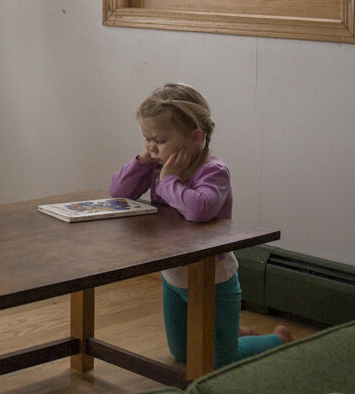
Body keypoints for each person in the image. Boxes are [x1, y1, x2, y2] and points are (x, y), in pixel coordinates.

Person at [110, 82, 293, 368]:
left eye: (159, 140)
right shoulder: (156, 164)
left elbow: (199, 210)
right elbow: (118, 193)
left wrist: (168, 180)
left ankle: (275, 340)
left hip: (212, 277)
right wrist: (141, 162)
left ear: (195, 137)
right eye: (147, 139)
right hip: (172, 272)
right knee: (182, 352)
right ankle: (231, 334)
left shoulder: (212, 170)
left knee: (221, 359)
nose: (151, 147)